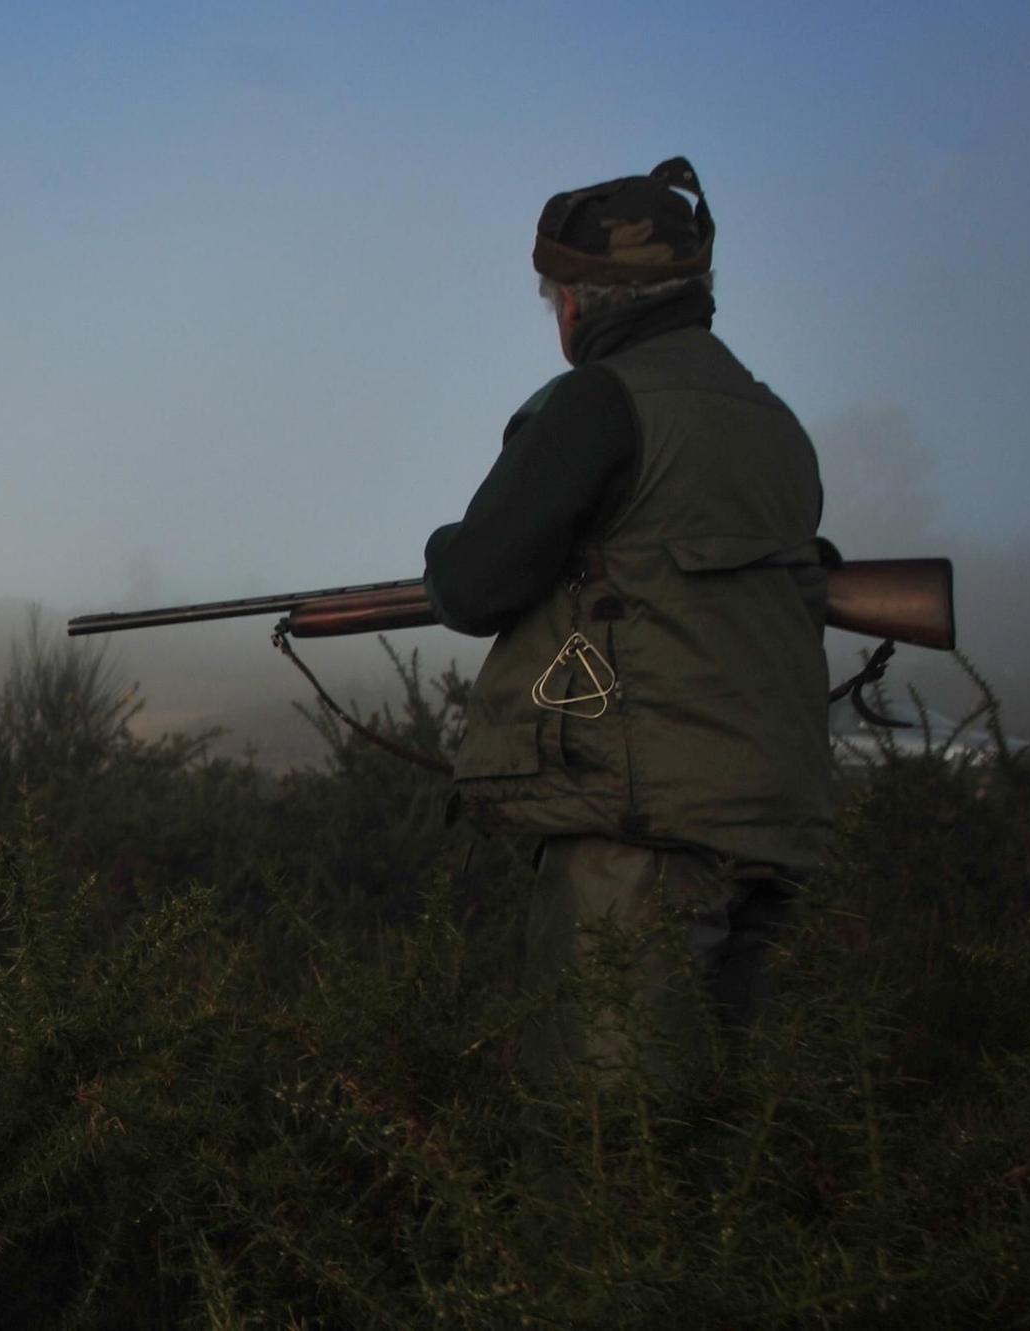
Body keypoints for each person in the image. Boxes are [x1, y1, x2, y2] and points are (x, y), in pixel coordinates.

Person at [423, 158, 831, 1084]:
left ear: (578, 303)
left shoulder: (600, 401)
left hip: (640, 840)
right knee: (737, 1151)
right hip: (776, 829)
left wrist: (442, 553)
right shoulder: (773, 421)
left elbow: (477, 582)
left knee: (602, 1156)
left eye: (554, 297)